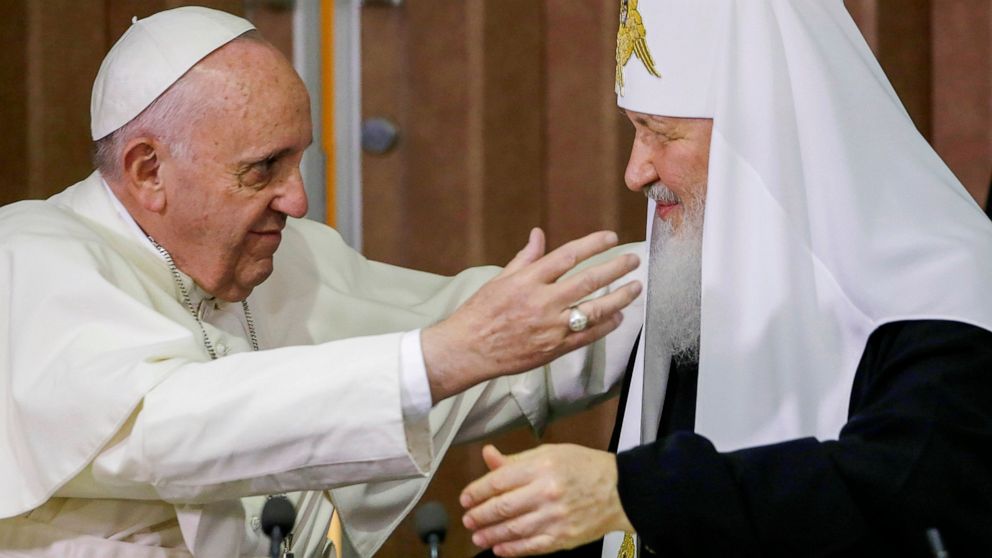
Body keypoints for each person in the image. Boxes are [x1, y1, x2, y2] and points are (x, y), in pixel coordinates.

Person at [0, 7, 646, 557]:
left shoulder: (288, 255)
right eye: (263, 169)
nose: (299, 200)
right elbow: (166, 428)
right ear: (148, 170)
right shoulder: (30, 257)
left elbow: (477, 341)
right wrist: (447, 356)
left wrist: (688, 272)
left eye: (299, 158)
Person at [460, 1, 992, 556]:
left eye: (661, 134)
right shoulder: (702, 280)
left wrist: (631, 490)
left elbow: (912, 500)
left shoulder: (944, 288)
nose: (635, 172)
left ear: (764, 136)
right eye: (633, 128)